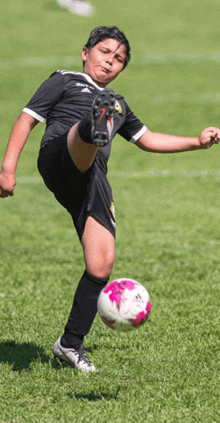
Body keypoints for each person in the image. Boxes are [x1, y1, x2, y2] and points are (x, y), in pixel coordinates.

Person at [0, 26, 219, 372]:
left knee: (101, 263)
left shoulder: (120, 104)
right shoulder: (65, 80)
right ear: (85, 53)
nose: (110, 61)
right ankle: (91, 126)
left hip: (92, 179)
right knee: (84, 132)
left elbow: (147, 140)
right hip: (59, 153)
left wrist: (197, 140)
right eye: (104, 52)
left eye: (118, 59)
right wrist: (8, 169)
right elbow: (27, 119)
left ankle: (69, 343)